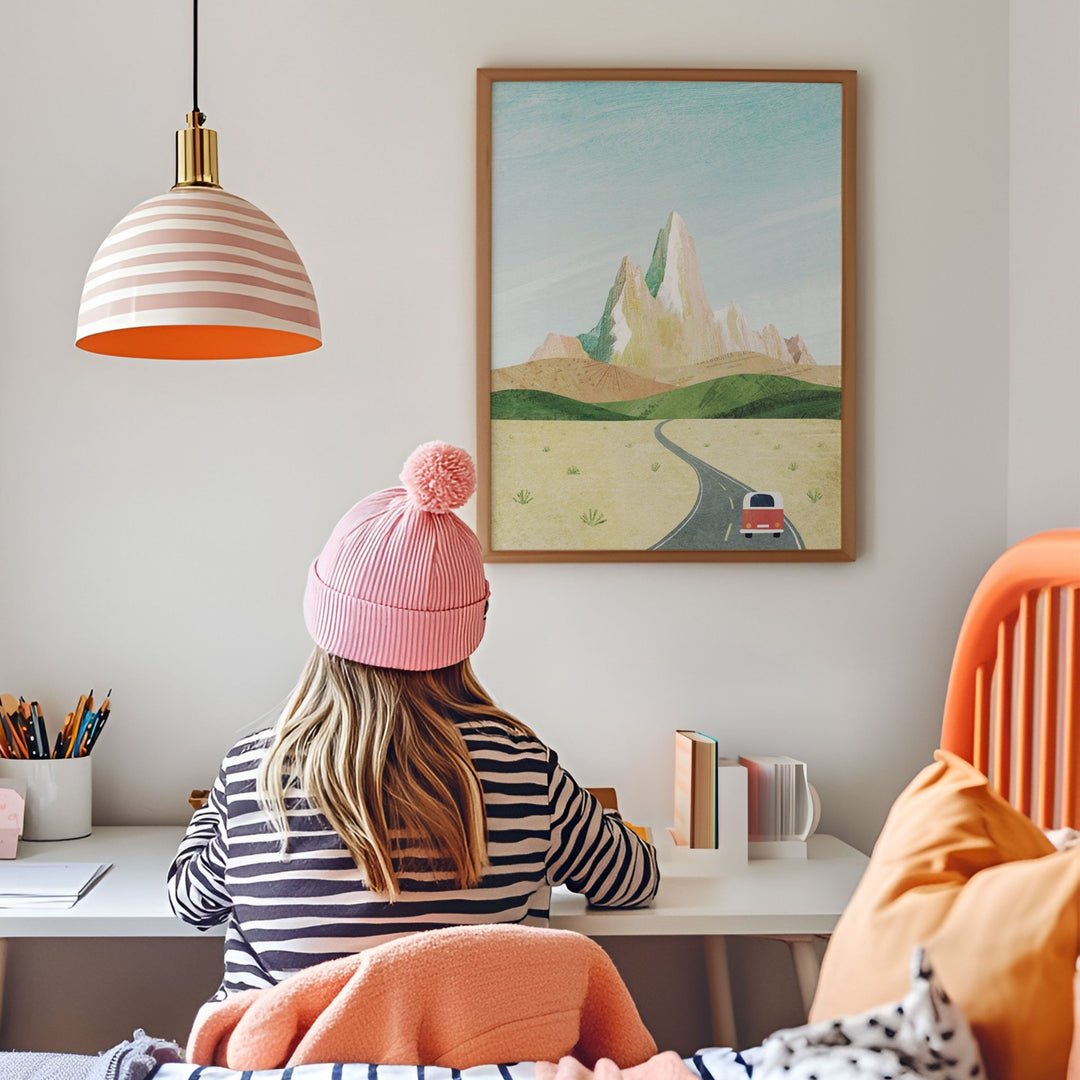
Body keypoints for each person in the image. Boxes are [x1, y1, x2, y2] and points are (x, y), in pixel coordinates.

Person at [168, 441, 659, 998]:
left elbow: (191, 903)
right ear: (470, 625)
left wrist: (215, 813)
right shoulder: (522, 765)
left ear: (324, 617)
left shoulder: (257, 767)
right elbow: (633, 879)